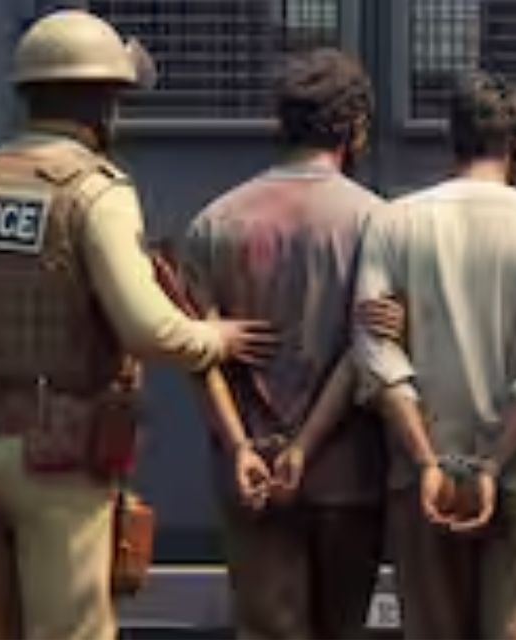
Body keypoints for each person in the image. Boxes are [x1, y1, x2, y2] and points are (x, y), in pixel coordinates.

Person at [0, 10, 274, 640]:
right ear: (105, 105)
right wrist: (212, 339)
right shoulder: (93, 192)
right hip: (55, 454)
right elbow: (147, 328)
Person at [353, 71, 516, 639]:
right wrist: (492, 466)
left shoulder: (392, 223)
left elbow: (375, 354)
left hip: (421, 478)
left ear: (451, 137)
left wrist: (429, 464)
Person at [180, 48, 386, 639]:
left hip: (248, 473)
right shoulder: (377, 221)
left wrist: (241, 448)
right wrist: (307, 445)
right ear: (355, 127)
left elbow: (199, 356)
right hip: (349, 473)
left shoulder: (213, 222)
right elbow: (368, 346)